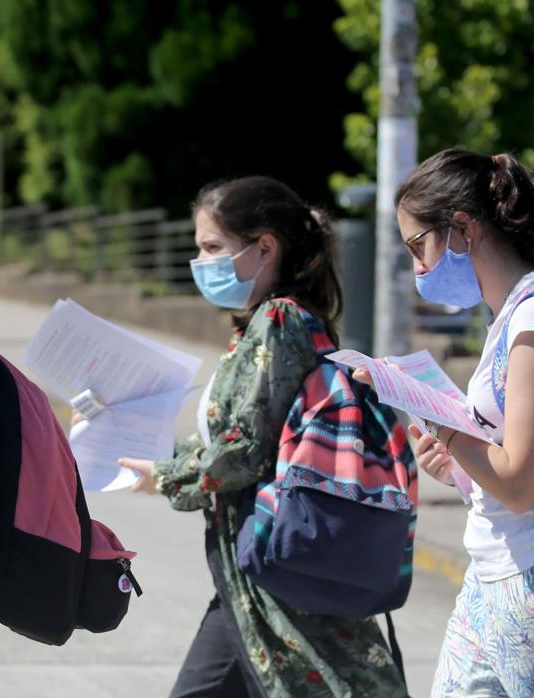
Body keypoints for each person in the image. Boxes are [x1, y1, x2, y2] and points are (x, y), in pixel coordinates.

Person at [116, 176, 408, 697]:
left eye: (212, 247)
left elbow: (244, 449)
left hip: (273, 559)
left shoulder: (278, 319)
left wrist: (164, 475)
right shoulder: (276, 322)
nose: (200, 261)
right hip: (254, 566)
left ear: (264, 247)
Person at [365, 148, 534, 695]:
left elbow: (520, 482)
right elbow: (521, 463)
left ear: (461, 228)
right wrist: (457, 467)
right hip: (499, 568)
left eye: (419, 246)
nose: (418, 268)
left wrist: (440, 424)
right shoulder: (514, 313)